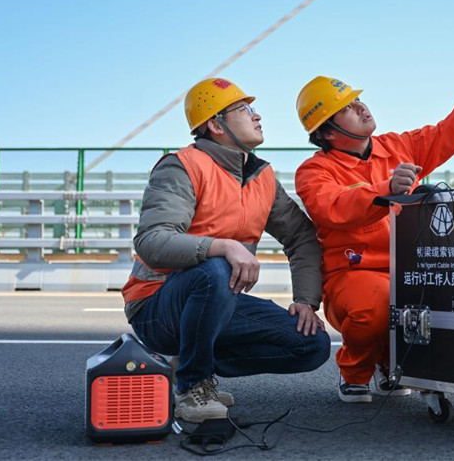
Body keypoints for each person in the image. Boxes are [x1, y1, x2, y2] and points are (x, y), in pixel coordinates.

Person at [294, 34, 454, 402]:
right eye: (349, 107)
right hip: (353, 276)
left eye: (359, 100)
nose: (363, 108)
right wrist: (386, 188)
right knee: (377, 305)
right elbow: (332, 207)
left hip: (411, 268)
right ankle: (356, 371)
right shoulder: (313, 170)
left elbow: (451, 131)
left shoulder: (398, 146)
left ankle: (398, 364)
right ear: (327, 131)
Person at [122, 77, 330, 423]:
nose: (257, 115)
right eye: (244, 109)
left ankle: (189, 364)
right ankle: (193, 386)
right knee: (216, 268)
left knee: (312, 344)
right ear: (215, 124)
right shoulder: (182, 166)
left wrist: (306, 301)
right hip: (157, 308)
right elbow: (152, 241)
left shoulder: (260, 176)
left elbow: (302, 237)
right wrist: (223, 246)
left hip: (215, 303)